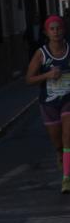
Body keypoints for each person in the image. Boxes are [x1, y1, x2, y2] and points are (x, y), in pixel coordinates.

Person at [26, 14, 70, 193]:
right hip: (49, 103)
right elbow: (28, 79)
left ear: (64, 30)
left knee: (68, 138)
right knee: (58, 142)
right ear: (46, 32)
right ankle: (60, 153)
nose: (56, 32)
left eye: (58, 28)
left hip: (68, 99)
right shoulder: (41, 54)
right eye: (52, 29)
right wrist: (47, 75)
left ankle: (66, 178)